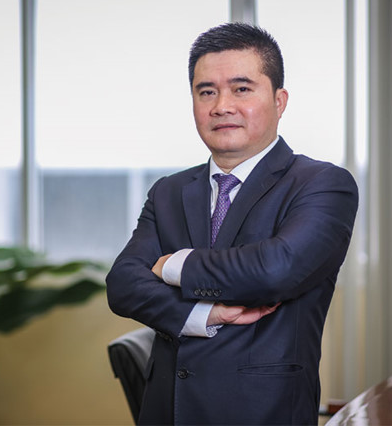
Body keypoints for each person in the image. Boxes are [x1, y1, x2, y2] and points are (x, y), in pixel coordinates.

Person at [106, 22, 358, 425]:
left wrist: (173, 265)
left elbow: (275, 269)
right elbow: (122, 285)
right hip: (167, 412)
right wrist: (204, 315)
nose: (221, 106)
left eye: (241, 89)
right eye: (206, 92)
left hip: (262, 412)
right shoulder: (169, 191)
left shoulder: (321, 184)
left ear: (279, 100)